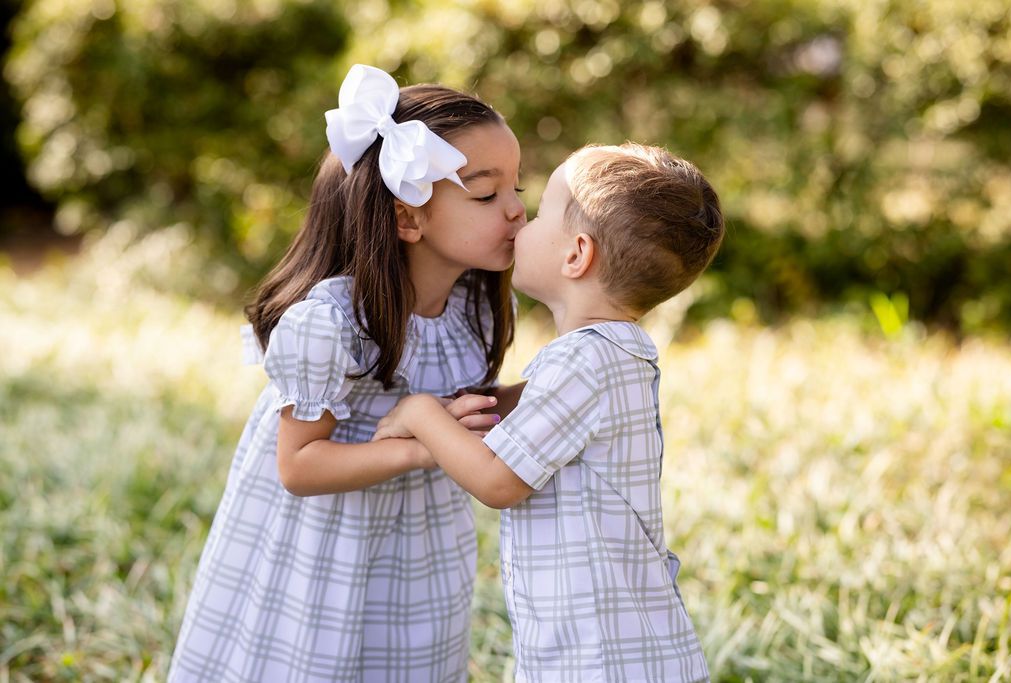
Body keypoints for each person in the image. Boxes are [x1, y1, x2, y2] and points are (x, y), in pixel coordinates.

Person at [168, 64, 526, 682]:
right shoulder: (333, 323)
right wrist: (426, 446)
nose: (518, 211)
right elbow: (299, 466)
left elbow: (465, 408)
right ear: (407, 217)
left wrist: (548, 389)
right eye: (487, 194)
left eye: (519, 187)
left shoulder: (477, 306)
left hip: (418, 550)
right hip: (322, 545)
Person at [374, 143, 725, 682]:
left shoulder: (584, 361)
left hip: (597, 654)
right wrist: (485, 399)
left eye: (539, 214)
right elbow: (536, 405)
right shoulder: (617, 351)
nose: (519, 219)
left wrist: (421, 412)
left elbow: (498, 482)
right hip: (622, 644)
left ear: (576, 256)